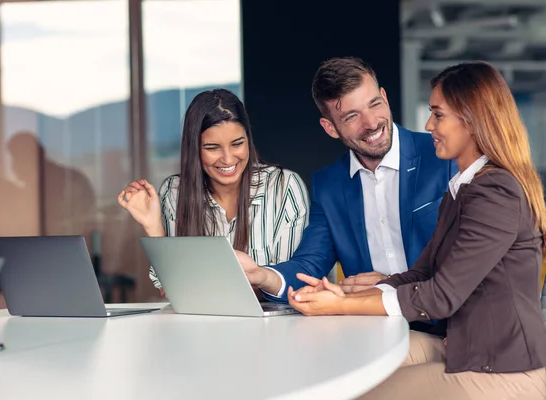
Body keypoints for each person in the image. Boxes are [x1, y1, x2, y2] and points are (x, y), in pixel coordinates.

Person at [288, 61, 546, 399]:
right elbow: (422, 272)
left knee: (365, 394)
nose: (428, 125)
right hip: (464, 344)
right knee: (347, 370)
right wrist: (346, 294)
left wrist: (340, 306)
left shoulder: (494, 192)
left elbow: (440, 295)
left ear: (471, 121)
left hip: (504, 363)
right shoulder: (463, 188)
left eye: (438, 115)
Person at [236, 57, 456, 303]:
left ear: (385, 97)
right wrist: (261, 275)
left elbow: (470, 261)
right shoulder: (329, 185)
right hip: (371, 328)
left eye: (375, 104)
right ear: (330, 127)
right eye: (352, 116)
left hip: (447, 325)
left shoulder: (443, 156)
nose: (371, 123)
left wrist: (390, 286)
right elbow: (309, 266)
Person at [118, 89, 309, 296]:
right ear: (194, 149)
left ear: (248, 139)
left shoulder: (283, 187)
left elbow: (292, 284)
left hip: (273, 326)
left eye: (237, 144)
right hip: (200, 325)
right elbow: (171, 288)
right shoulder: (174, 192)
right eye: (212, 148)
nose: (228, 159)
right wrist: (153, 226)